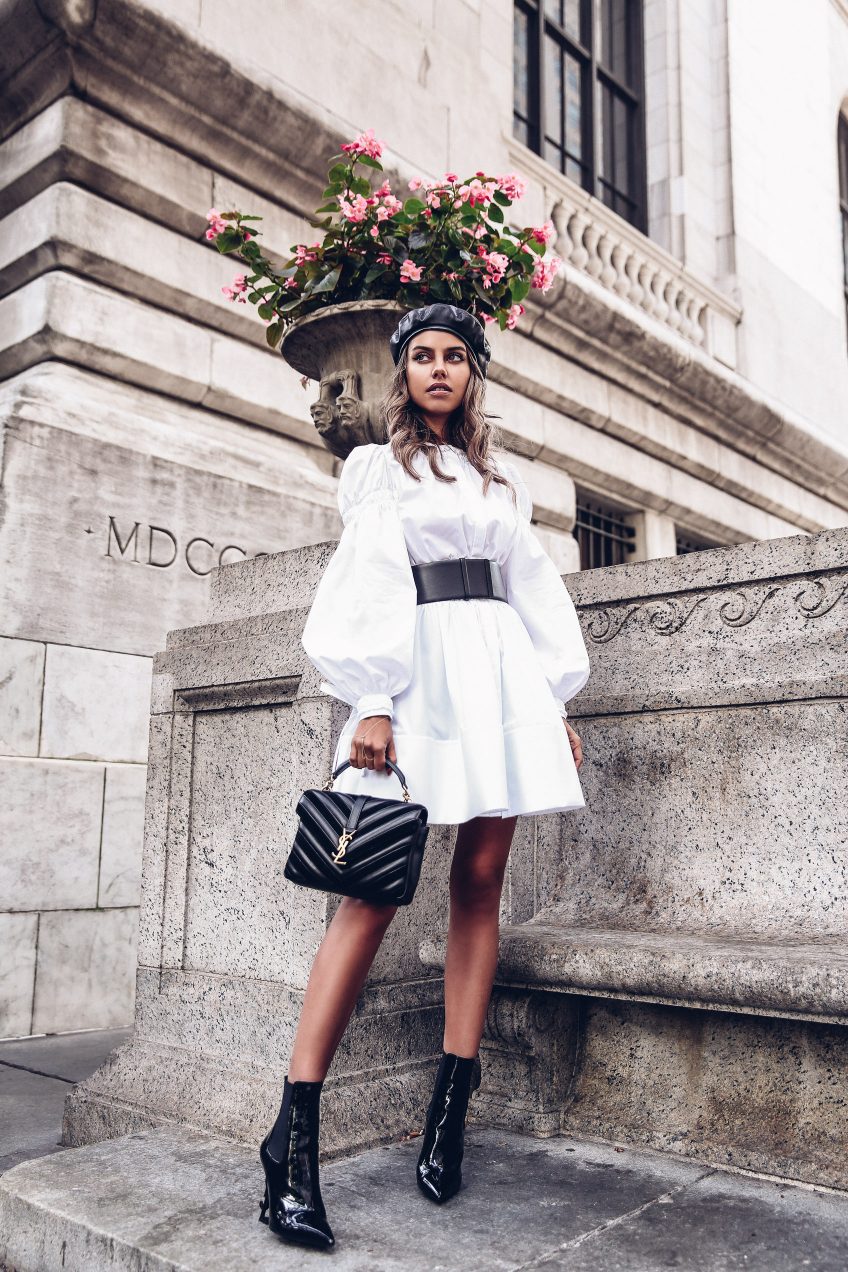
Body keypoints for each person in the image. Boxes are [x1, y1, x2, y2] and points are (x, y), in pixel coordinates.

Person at [259, 303, 590, 1250]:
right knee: (367, 895)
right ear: (401, 373)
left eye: (455, 356)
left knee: (480, 882)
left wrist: (555, 701)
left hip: (501, 685)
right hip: (416, 680)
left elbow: (532, 589)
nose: (438, 369)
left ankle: (451, 1107)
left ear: (474, 373)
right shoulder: (377, 468)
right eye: (421, 357)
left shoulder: (502, 479)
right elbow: (366, 577)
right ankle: (295, 1133)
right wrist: (368, 698)